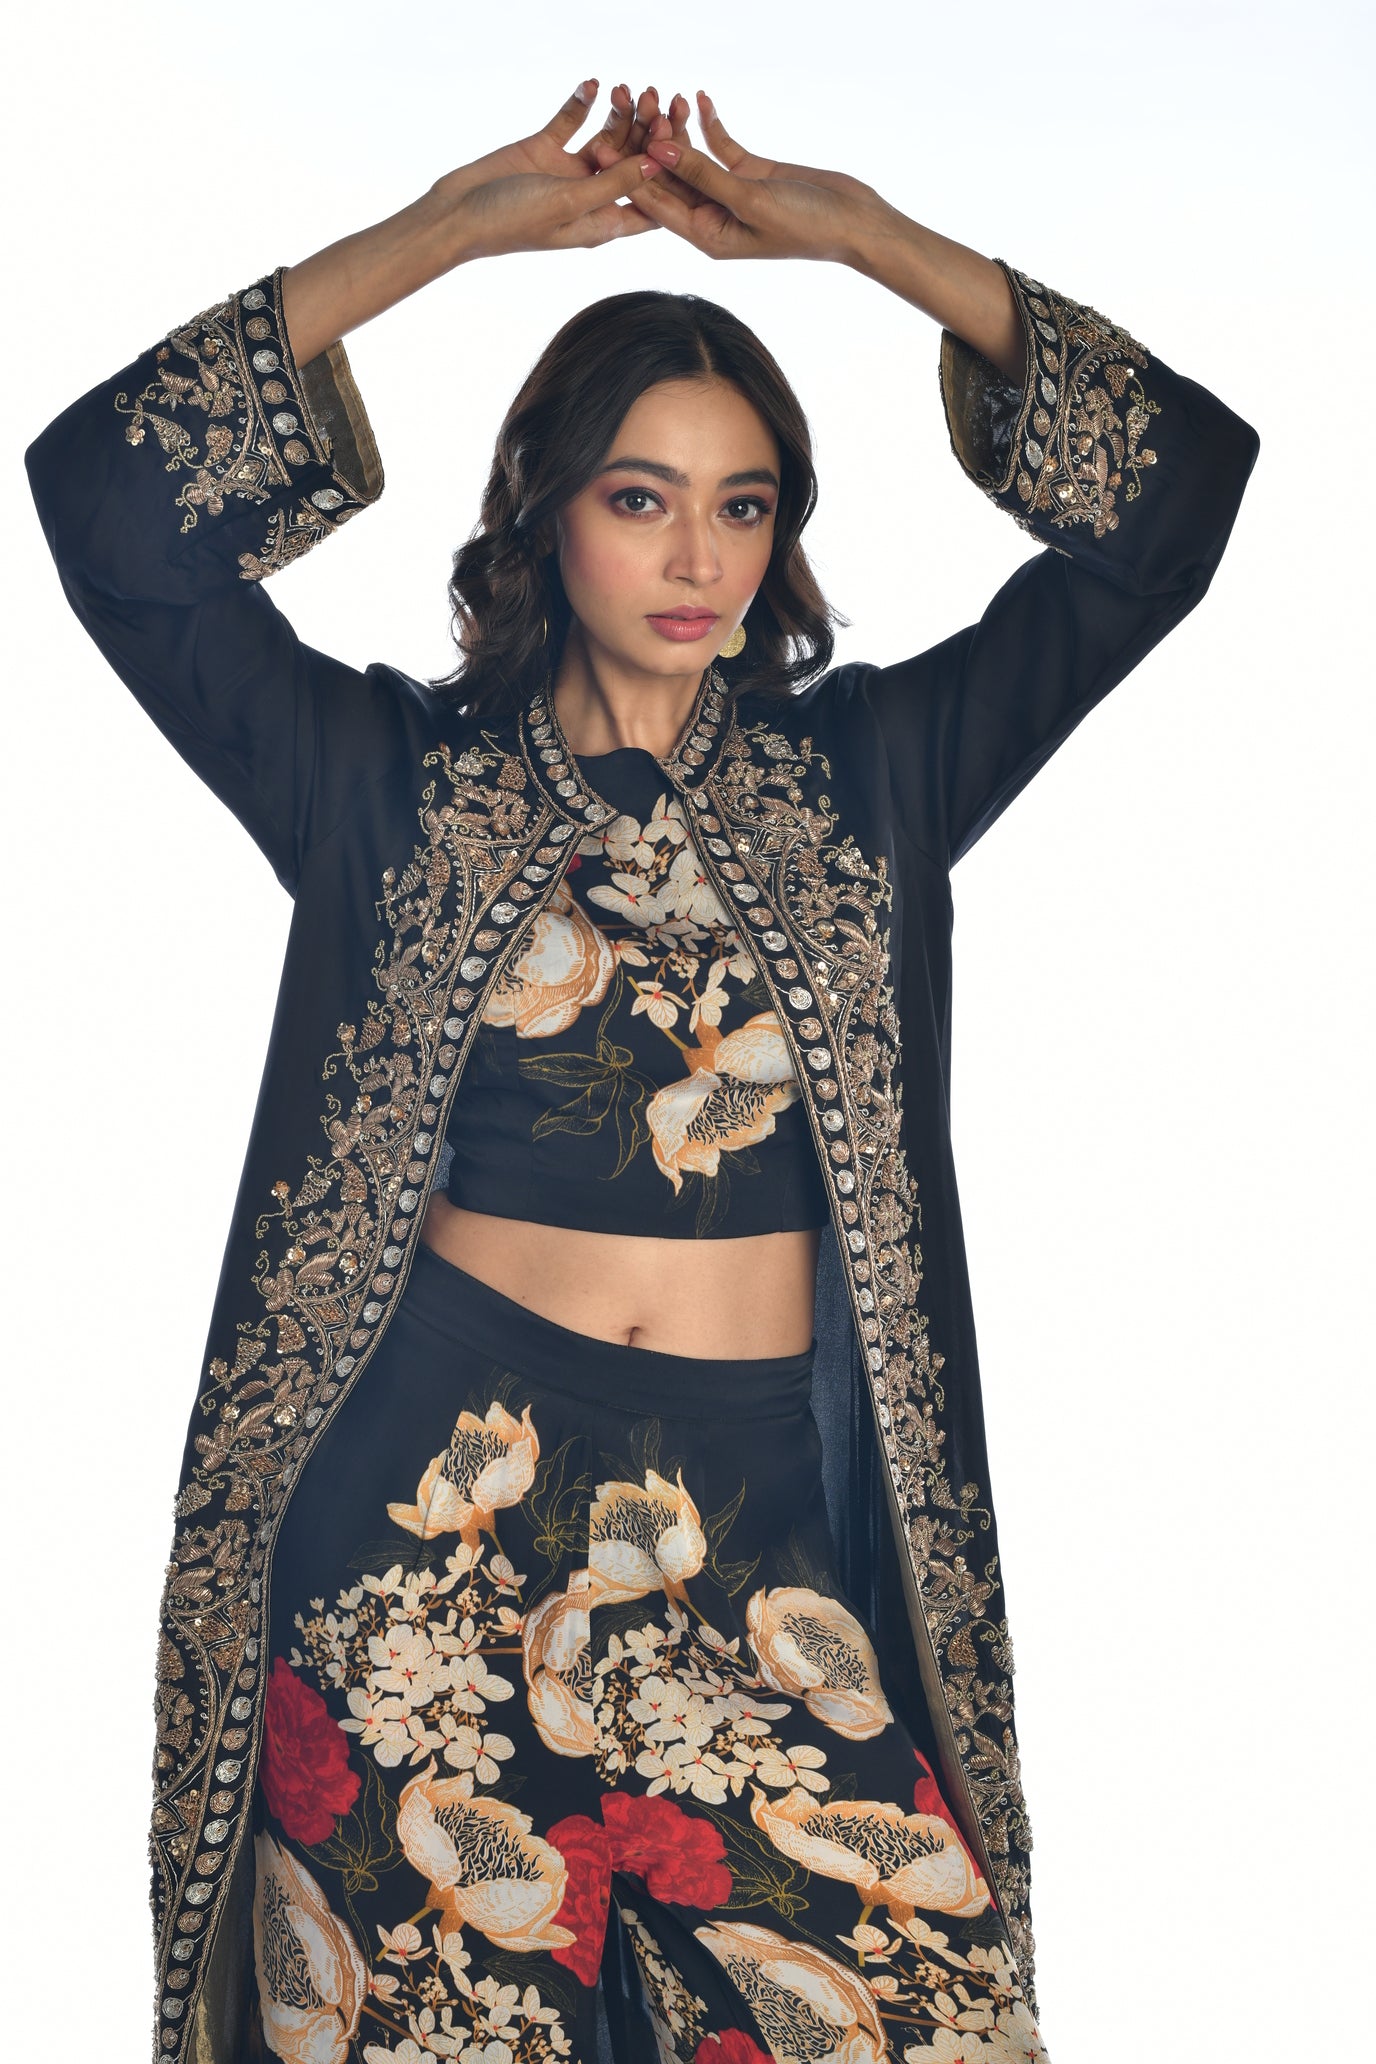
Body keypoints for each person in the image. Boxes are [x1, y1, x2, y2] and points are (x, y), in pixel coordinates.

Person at [26, 76, 1259, 2064]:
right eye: (639, 496)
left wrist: (864, 237)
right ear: (543, 510)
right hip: (421, 1529)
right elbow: (111, 510)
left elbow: (1173, 507)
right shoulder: (386, 781)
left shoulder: (871, 779)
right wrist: (448, 231)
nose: (699, 555)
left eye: (743, 503)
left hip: (755, 1527)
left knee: (928, 2016)